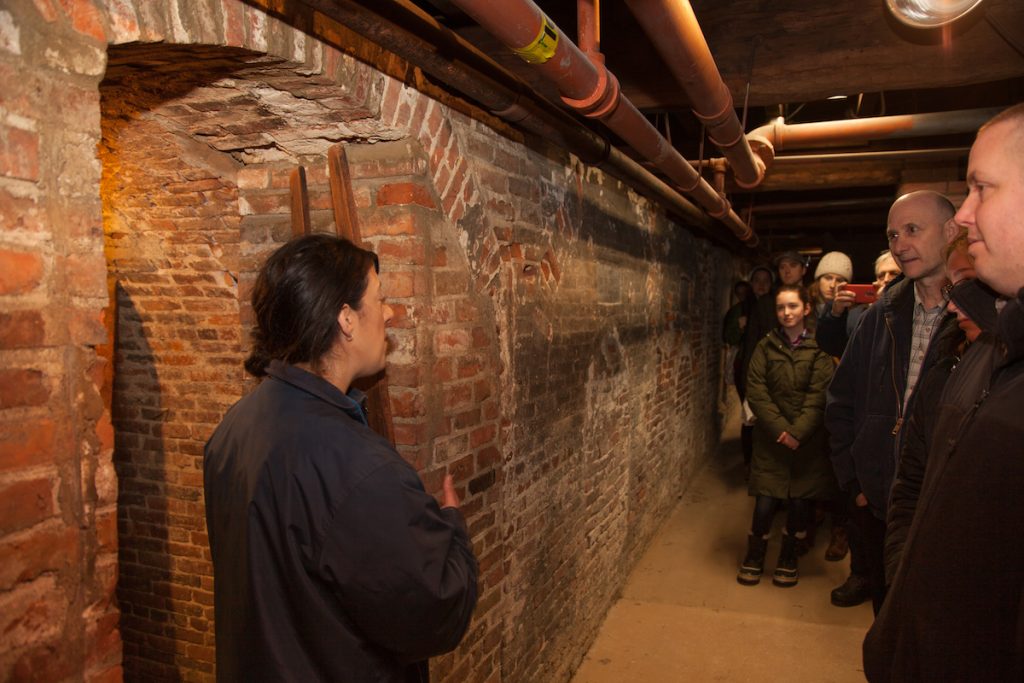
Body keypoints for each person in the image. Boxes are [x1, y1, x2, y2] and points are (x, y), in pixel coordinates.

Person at [203, 234, 478, 682]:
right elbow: (434, 613)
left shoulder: (233, 430)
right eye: (379, 298)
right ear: (346, 320)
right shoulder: (362, 470)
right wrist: (452, 534)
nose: (389, 313)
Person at [863, 103, 1024, 681]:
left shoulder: (977, 336)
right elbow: (915, 467)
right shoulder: (984, 347)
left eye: (981, 189)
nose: (967, 216)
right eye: (893, 235)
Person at [825, 190, 959, 614]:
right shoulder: (881, 315)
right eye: (893, 234)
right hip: (879, 506)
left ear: (952, 231)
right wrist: (856, 485)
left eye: (912, 230)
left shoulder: (978, 317)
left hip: (945, 511)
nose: (899, 244)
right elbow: (841, 400)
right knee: (886, 617)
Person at [882, 228, 995, 586]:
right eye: (952, 288)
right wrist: (902, 568)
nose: (952, 304)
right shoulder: (946, 362)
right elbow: (912, 482)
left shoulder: (1007, 380)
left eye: (966, 284)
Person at [736, 285, 835, 587]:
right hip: (771, 441)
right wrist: (781, 430)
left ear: (806, 309)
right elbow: (756, 390)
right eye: (781, 308)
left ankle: (788, 558)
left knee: (799, 505)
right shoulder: (766, 347)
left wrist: (797, 433)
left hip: (806, 445)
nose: (786, 313)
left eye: (792, 306)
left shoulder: (820, 349)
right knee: (765, 504)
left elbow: (819, 396)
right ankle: (754, 557)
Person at [817, 250, 903, 358]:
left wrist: (885, 306)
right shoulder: (860, 314)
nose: (886, 279)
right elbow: (834, 348)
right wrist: (835, 315)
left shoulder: (916, 307)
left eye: (894, 274)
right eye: (881, 276)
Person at [737, 265, 776, 469]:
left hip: (768, 372)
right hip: (747, 368)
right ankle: (749, 463)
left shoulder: (776, 307)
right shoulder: (745, 307)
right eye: (757, 280)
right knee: (749, 419)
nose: (761, 285)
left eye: (765, 281)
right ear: (751, 284)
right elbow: (742, 343)